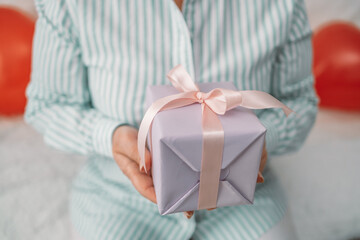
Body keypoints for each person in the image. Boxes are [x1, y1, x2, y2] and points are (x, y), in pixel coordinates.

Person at [25, 0, 318, 239]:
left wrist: (258, 141)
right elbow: (48, 106)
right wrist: (111, 136)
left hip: (248, 203)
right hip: (117, 201)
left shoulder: (282, 5)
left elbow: (300, 103)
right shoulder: (68, 5)